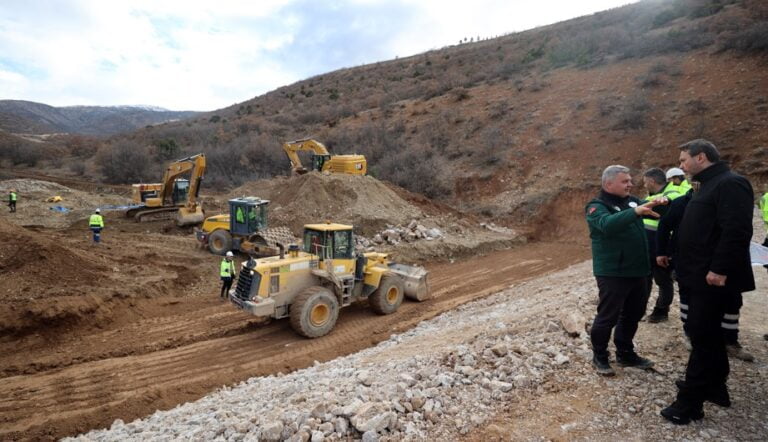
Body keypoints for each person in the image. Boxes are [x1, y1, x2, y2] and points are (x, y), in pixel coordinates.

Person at [661, 139, 755, 425]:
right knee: (708, 334)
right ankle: (716, 387)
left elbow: (737, 230)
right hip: (696, 275)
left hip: (711, 278)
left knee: (701, 336)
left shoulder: (730, 183)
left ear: (700, 157)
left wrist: (719, 269)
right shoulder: (707, 184)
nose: (680, 166)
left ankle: (689, 404)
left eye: (682, 160)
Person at [585, 165, 666, 376]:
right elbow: (607, 224)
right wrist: (636, 211)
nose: (630, 184)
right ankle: (600, 356)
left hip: (639, 270)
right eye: (625, 181)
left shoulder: (633, 201)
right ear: (608, 183)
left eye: (630, 180)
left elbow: (655, 211)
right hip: (613, 272)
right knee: (608, 316)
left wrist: (664, 202)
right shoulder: (597, 206)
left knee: (634, 313)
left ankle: (625, 353)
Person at [641, 168, 681, 323]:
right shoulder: (650, 196)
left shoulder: (673, 193)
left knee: (663, 281)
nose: (644, 185)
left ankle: (661, 311)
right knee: (645, 280)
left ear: (651, 181)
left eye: (645, 182)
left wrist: (641, 205)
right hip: (647, 248)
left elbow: (667, 204)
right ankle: (639, 309)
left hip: (662, 248)